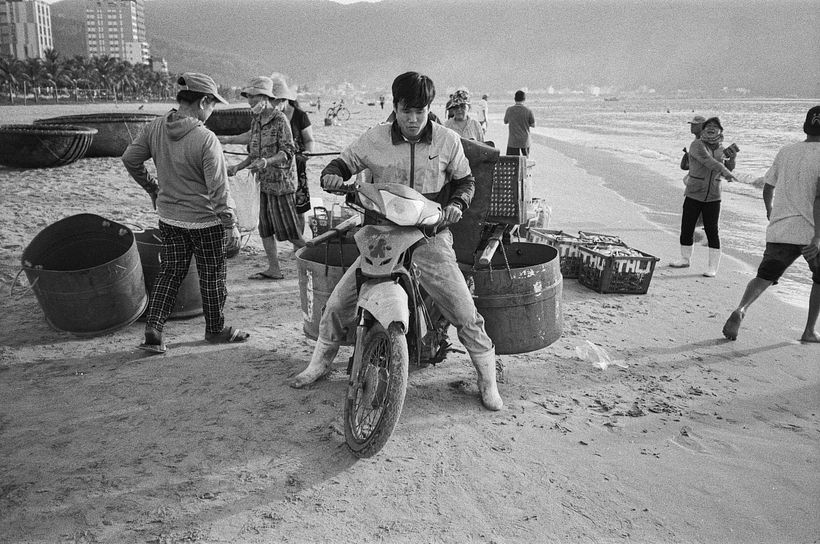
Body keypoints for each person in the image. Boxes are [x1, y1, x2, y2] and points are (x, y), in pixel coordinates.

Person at [289, 71, 503, 411]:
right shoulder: (374, 138)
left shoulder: (447, 140)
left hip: (429, 235)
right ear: (395, 107)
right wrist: (332, 174)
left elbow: (466, 183)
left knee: (464, 310)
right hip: (383, 235)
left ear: (430, 108)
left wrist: (456, 206)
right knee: (337, 303)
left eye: (420, 111)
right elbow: (343, 163)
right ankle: (319, 363)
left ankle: (487, 380)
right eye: (406, 111)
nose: (413, 119)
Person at [122, 72, 249, 353]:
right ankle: (215, 330)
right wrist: (231, 224)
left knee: (170, 274)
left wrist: (152, 188)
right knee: (212, 276)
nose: (212, 111)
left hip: (169, 218)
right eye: (213, 105)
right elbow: (219, 190)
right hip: (206, 222)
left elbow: (130, 159)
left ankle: (154, 331)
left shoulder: (155, 127)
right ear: (203, 101)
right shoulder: (206, 139)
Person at [723, 106, 820, 343]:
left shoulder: (786, 151)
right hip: (810, 232)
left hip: (780, 228)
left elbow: (768, 186)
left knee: (764, 276)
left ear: (806, 126)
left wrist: (770, 211)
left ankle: (741, 309)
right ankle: (808, 331)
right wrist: (817, 237)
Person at [225, 75, 304, 280]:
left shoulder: (280, 120)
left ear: (265, 97)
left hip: (281, 184)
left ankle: (318, 263)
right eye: (248, 97)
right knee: (265, 228)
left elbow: (288, 151)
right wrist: (238, 167)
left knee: (291, 232)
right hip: (263, 183)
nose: (250, 101)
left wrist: (267, 162)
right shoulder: (256, 121)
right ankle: (274, 269)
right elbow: (253, 153)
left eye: (253, 97)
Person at [669, 117, 738, 276]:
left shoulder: (721, 148)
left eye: (715, 126)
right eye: (709, 126)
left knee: (712, 230)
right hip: (694, 192)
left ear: (720, 130)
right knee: (687, 227)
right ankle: (685, 259)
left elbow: (729, 167)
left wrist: (732, 159)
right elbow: (709, 162)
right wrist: (726, 172)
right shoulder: (697, 145)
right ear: (703, 129)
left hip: (714, 195)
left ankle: (712, 268)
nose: (711, 128)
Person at [504, 90, 535, 156]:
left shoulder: (509, 110)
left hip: (513, 141)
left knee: (512, 162)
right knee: (525, 161)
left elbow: (505, 121)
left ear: (515, 99)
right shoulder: (528, 110)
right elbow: (533, 125)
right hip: (525, 141)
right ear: (524, 99)